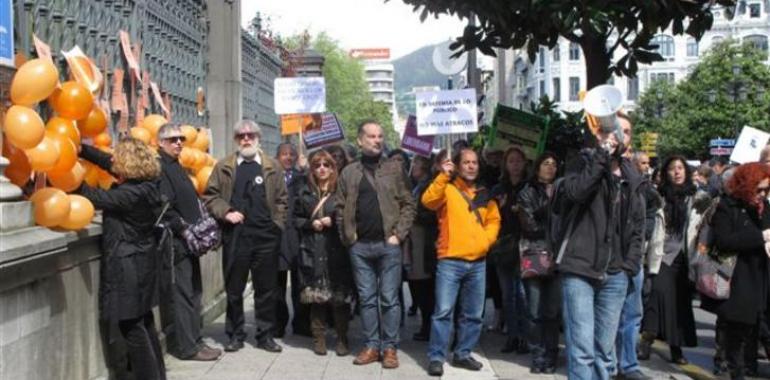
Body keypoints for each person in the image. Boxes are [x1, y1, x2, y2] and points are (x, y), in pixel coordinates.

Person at [556, 125, 646, 380]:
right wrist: (601, 156)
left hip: (616, 272)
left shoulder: (632, 175)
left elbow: (638, 225)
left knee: (604, 352)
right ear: (599, 134)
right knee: (582, 349)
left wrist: (630, 265)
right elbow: (576, 192)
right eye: (612, 130)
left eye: (626, 131)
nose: (619, 135)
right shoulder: (581, 162)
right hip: (580, 268)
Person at [78, 138, 166, 380]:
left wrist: (61, 173)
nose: (112, 157)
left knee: (131, 326)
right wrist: (83, 150)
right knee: (144, 321)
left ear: (127, 164)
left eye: (118, 155)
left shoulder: (130, 194)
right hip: (142, 261)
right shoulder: (148, 184)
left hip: (128, 266)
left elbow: (89, 194)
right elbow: (108, 162)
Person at [335, 120, 416, 369]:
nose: (377, 140)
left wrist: (398, 235)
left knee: (390, 298)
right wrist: (348, 237)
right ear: (360, 140)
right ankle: (371, 345)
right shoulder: (349, 172)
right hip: (359, 247)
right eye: (371, 136)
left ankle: (390, 347)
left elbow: (409, 204)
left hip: (388, 244)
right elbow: (340, 207)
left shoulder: (394, 169)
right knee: (367, 299)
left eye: (380, 136)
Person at [202, 120, 288, 353]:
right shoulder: (224, 167)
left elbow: (282, 199)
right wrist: (226, 212)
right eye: (241, 136)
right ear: (236, 140)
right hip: (236, 236)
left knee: (266, 288)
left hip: (266, 236)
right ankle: (235, 335)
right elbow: (210, 197)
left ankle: (265, 335)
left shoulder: (272, 166)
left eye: (250, 135)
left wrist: (277, 224)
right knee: (234, 289)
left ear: (258, 138)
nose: (246, 139)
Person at [422, 148, 501, 377]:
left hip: (478, 262)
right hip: (450, 260)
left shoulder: (485, 193)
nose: (471, 166)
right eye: (466, 162)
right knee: (443, 312)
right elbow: (428, 201)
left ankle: (463, 353)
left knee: (474, 314)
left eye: (474, 162)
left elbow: (494, 220)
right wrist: (443, 175)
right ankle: (436, 357)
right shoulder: (446, 188)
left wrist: (486, 242)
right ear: (457, 165)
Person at [154, 124, 221, 361]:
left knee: (194, 292)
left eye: (181, 139)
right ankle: (187, 347)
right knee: (182, 294)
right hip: (177, 242)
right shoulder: (160, 167)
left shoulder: (176, 165)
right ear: (160, 143)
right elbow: (164, 206)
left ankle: (195, 340)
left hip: (190, 241)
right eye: (172, 140)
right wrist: (184, 229)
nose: (179, 143)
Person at [639, 156, 708, 365]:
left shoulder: (697, 197)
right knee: (657, 296)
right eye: (672, 169)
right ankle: (647, 341)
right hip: (661, 254)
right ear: (665, 173)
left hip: (685, 257)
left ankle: (676, 348)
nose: (677, 172)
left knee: (680, 304)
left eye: (680, 168)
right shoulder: (658, 196)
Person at [707, 163, 770, 380]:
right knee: (737, 338)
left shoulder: (764, 209)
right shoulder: (727, 207)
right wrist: (761, 237)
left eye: (766, 190)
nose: (762, 194)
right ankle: (734, 372)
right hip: (736, 280)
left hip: (761, 279)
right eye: (758, 189)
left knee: (756, 333)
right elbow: (724, 241)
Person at [294, 150, 354, 356]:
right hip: (313, 249)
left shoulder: (340, 191)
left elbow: (350, 215)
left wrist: (334, 219)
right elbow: (295, 219)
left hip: (337, 250)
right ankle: (318, 339)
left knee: (339, 299)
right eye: (317, 165)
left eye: (326, 165)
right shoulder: (304, 192)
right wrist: (312, 224)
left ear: (332, 168)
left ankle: (342, 338)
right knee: (316, 299)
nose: (321, 168)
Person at [614, 116, 654, 380]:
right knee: (611, 318)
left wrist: (635, 256)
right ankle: (610, 363)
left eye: (627, 132)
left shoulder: (639, 183)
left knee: (632, 315)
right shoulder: (598, 172)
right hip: (610, 260)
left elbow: (645, 220)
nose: (622, 138)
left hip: (633, 260)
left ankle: (627, 364)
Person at [518, 152, 561, 374]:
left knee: (552, 312)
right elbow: (530, 226)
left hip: (557, 259)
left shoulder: (563, 191)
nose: (550, 168)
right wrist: (550, 206)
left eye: (554, 165)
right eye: (546, 164)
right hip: (534, 255)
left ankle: (552, 353)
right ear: (537, 168)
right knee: (534, 310)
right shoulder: (527, 192)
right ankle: (537, 355)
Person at [490, 146, 529, 355]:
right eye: (511, 161)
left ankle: (524, 336)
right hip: (504, 248)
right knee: (507, 295)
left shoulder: (529, 187)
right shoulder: (498, 189)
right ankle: (512, 335)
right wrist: (502, 207)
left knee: (522, 294)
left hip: (524, 246)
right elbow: (488, 217)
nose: (515, 165)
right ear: (505, 164)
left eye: (518, 160)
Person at [274, 142, 309, 338]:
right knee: (277, 284)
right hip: (278, 236)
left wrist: (305, 172)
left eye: (291, 155)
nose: (288, 158)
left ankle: (301, 323)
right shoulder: (271, 177)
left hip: (297, 236)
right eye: (284, 154)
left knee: (299, 283)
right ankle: (278, 323)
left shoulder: (301, 178)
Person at [405, 155, 438, 342]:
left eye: (416, 163)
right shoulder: (417, 185)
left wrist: (412, 214)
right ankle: (426, 324)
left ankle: (428, 325)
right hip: (415, 240)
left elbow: (430, 214)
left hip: (424, 240)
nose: (413, 166)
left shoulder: (427, 186)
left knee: (425, 286)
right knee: (419, 284)